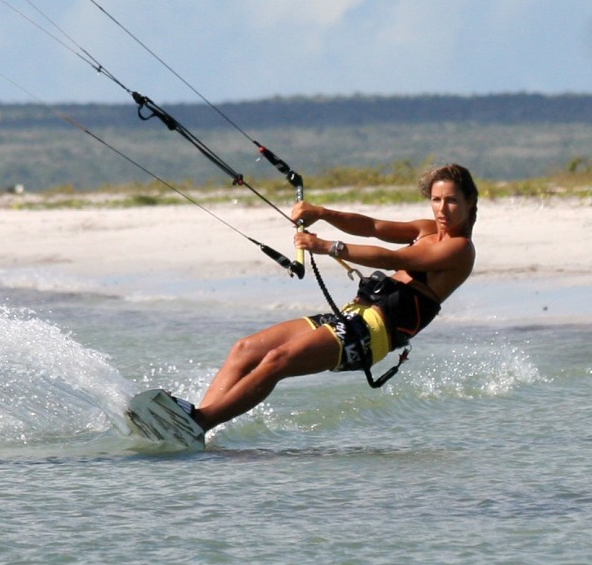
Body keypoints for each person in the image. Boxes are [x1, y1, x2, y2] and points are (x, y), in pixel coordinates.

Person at [182, 163, 478, 434]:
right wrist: (322, 213)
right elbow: (372, 227)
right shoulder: (428, 230)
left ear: (470, 202)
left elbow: (393, 259)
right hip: (352, 317)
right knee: (245, 349)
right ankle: (195, 422)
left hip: (373, 334)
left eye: (451, 201)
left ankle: (201, 423)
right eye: (436, 200)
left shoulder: (460, 249)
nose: (442, 209)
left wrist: (327, 246)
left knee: (277, 361)